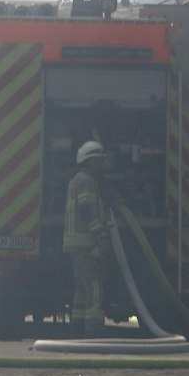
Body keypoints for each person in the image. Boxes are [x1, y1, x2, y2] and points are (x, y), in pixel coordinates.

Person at [63, 140, 112, 336]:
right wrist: (100, 235)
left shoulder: (77, 179)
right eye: (97, 160)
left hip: (76, 244)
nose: (100, 165)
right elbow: (86, 210)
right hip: (85, 243)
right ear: (89, 161)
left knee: (82, 287)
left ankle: (77, 327)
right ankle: (93, 329)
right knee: (94, 285)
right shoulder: (87, 181)